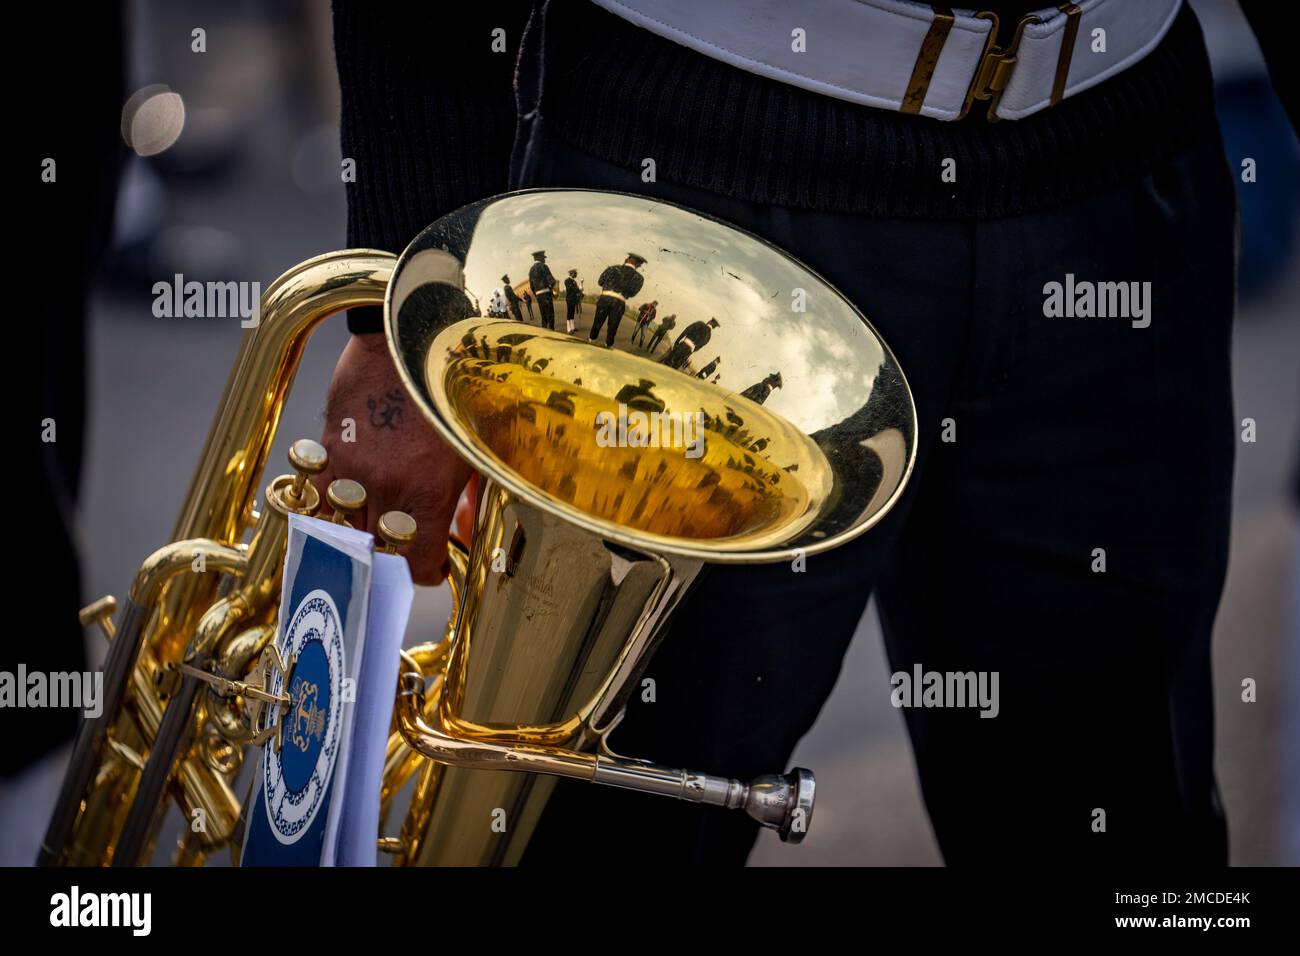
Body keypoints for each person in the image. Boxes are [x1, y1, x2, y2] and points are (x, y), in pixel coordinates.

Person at [324, 0, 1296, 866]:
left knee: (1119, 816)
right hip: (696, 186)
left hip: (1113, 167)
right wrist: (402, 292)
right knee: (611, 814)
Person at [588, 253, 645, 347]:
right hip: (619, 302)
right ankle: (607, 346)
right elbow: (632, 293)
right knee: (612, 328)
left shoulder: (612, 268)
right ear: (638, 265)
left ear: (627, 259)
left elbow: (600, 282)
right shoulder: (639, 278)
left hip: (605, 298)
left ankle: (591, 341)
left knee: (597, 324)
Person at [528, 250, 557, 329]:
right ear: (539, 258)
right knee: (550, 317)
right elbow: (552, 281)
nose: (545, 259)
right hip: (546, 294)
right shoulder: (544, 266)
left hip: (538, 296)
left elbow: (531, 286)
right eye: (543, 257)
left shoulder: (531, 270)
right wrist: (551, 290)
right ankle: (552, 334)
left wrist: (537, 294)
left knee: (543, 317)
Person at [563, 268, 582, 333]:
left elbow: (576, 289)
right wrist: (578, 290)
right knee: (569, 313)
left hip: (573, 299)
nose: (576, 275)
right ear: (571, 274)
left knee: (572, 312)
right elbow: (571, 288)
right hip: (569, 299)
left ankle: (572, 327)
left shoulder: (574, 281)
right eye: (575, 273)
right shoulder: (567, 281)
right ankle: (568, 329)